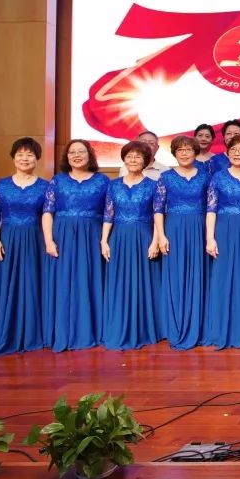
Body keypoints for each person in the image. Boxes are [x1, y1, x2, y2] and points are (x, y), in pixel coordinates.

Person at [42, 139, 109, 351]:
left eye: (81, 151)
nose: (77, 155)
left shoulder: (103, 181)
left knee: (90, 280)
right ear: (67, 156)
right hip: (62, 236)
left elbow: (109, 214)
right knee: (64, 282)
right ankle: (63, 332)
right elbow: (47, 212)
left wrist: (105, 241)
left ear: (90, 155)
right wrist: (48, 240)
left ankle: (90, 330)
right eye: (72, 152)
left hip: (92, 236)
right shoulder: (57, 180)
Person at [0, 137, 49, 356]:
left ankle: (34, 334)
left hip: (35, 240)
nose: (24, 158)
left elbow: (49, 216)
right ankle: (7, 334)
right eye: (20, 154)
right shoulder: (1, 185)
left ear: (37, 159)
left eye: (30, 154)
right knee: (8, 285)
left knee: (34, 284)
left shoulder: (46, 186)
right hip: (8, 239)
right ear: (13, 158)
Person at [204, 134, 240, 349]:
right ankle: (222, 329)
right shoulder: (218, 178)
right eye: (233, 149)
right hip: (224, 230)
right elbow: (211, 209)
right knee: (223, 277)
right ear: (227, 153)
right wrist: (210, 238)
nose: (237, 153)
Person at [101, 141, 161, 350]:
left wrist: (155, 241)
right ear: (124, 159)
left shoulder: (154, 185)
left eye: (138, 157)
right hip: (119, 238)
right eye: (129, 156)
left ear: (146, 161)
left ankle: (144, 329)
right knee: (119, 282)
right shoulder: (113, 185)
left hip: (144, 237)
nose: (133, 160)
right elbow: (108, 214)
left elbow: (158, 215)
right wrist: (104, 240)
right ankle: (119, 328)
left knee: (143, 282)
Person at [153, 135, 210, 350]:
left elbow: (212, 208)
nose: (184, 153)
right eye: (180, 150)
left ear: (195, 152)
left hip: (199, 229)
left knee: (198, 275)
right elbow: (158, 209)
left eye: (188, 149)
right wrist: (161, 235)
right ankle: (175, 326)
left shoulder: (206, 176)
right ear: (174, 153)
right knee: (175, 276)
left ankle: (198, 326)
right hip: (174, 229)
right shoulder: (165, 177)